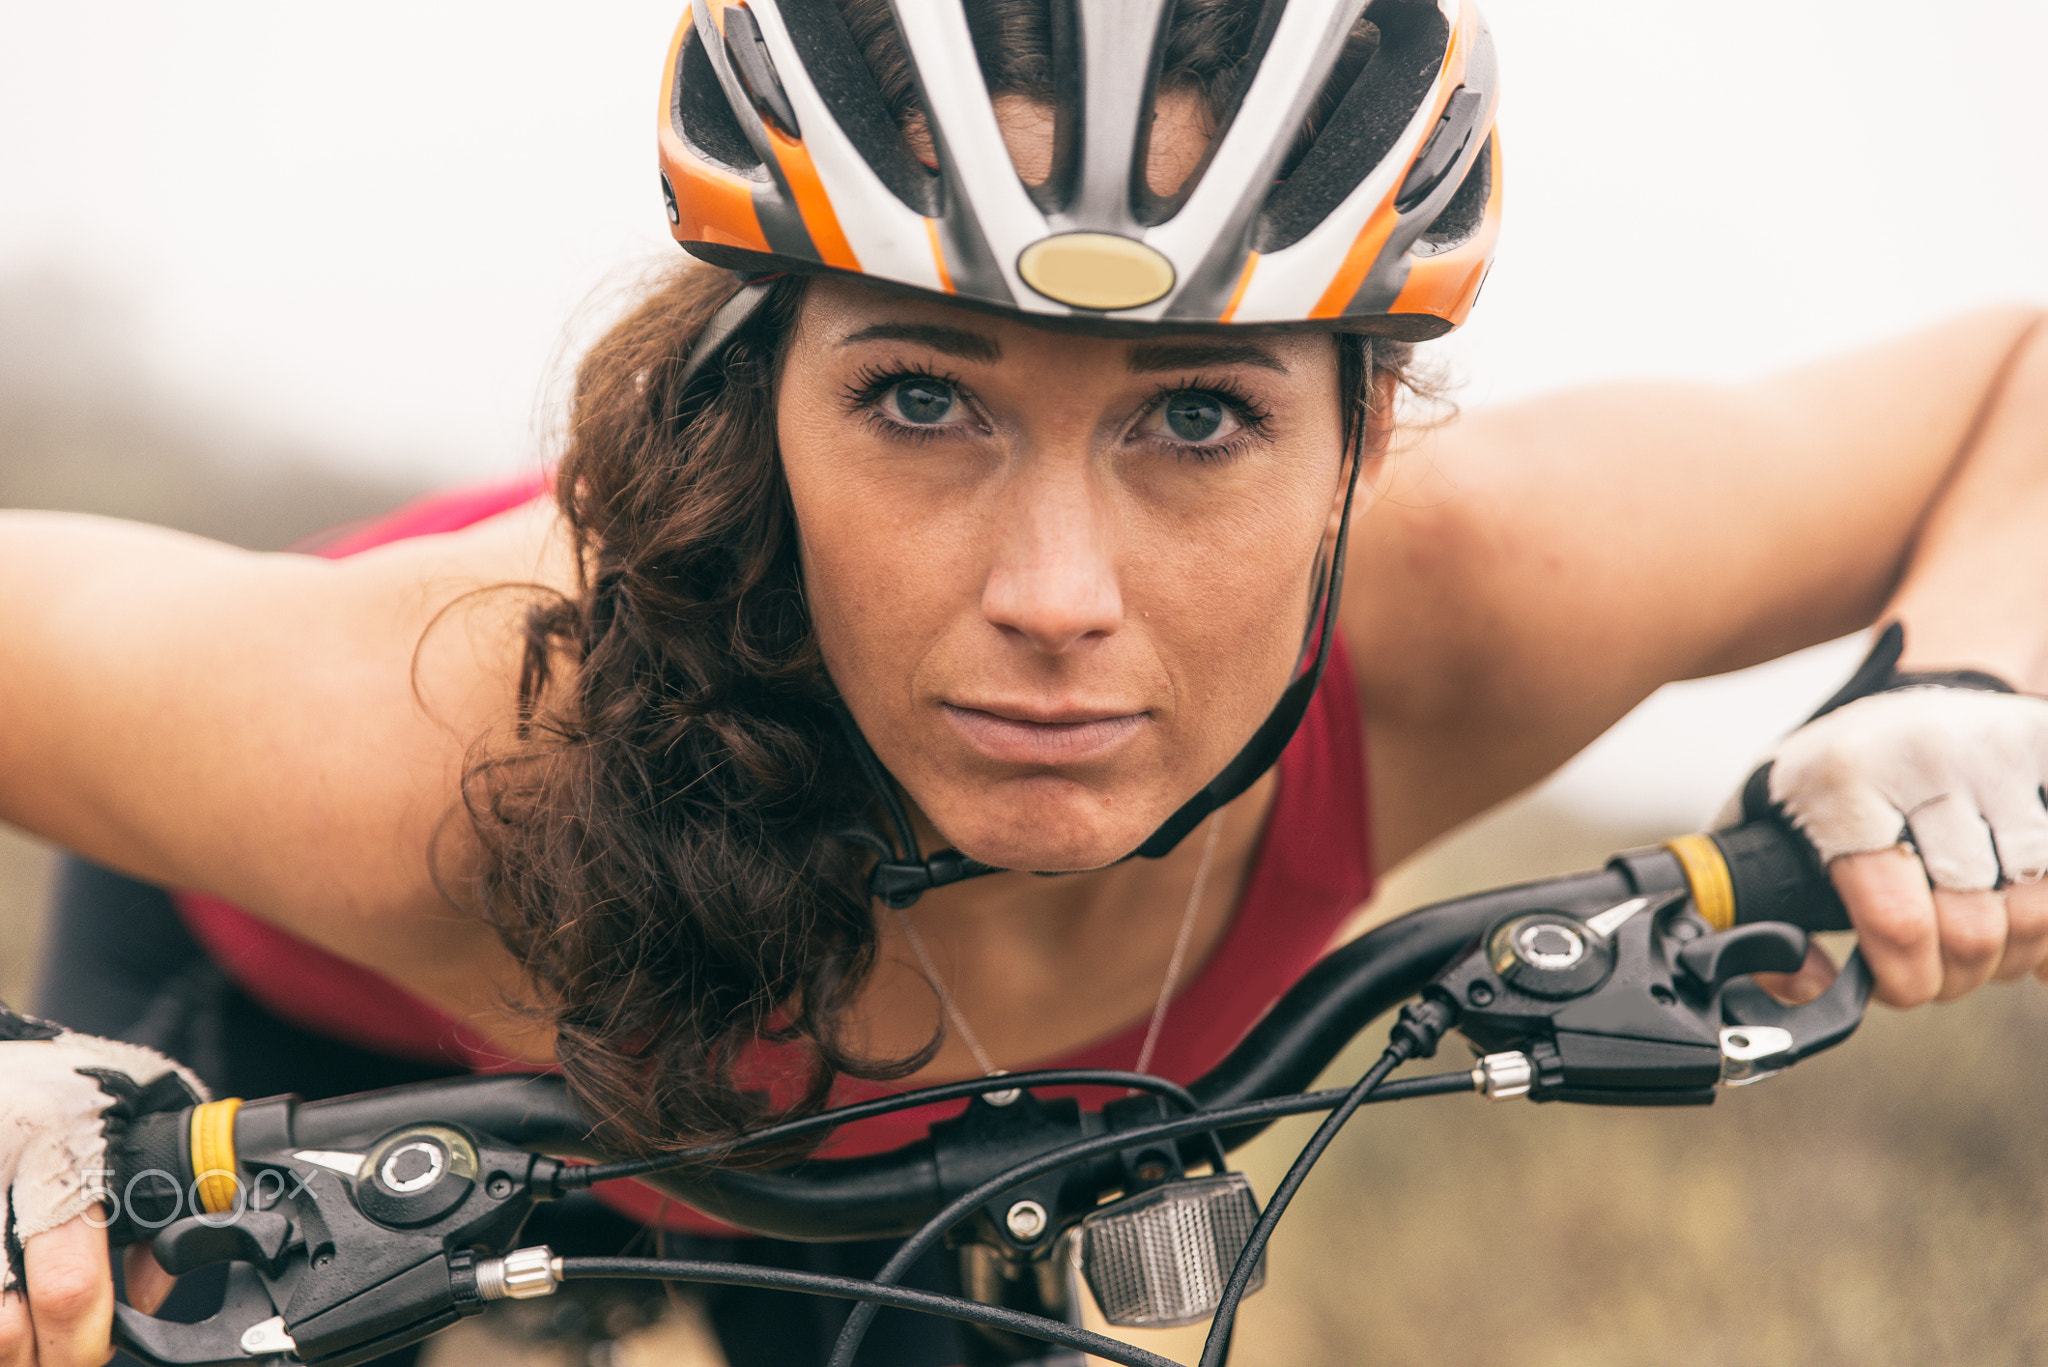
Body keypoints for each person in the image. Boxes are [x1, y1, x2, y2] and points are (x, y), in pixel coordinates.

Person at [5, 1, 2048, 1364]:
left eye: (1197, 425)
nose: (1056, 596)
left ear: (1365, 440)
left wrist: (1964, 682)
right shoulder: (440, 727)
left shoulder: (1473, 595)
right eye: (918, 397)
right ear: (759, 399)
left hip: (897, 1183)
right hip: (293, 1042)